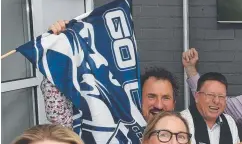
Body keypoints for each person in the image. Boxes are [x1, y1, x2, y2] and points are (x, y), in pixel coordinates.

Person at [42, 20, 178, 125]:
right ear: (137, 99)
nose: (159, 105)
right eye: (151, 96)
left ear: (174, 104)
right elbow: (60, 120)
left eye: (166, 98)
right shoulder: (114, 126)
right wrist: (57, 50)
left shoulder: (181, 137)